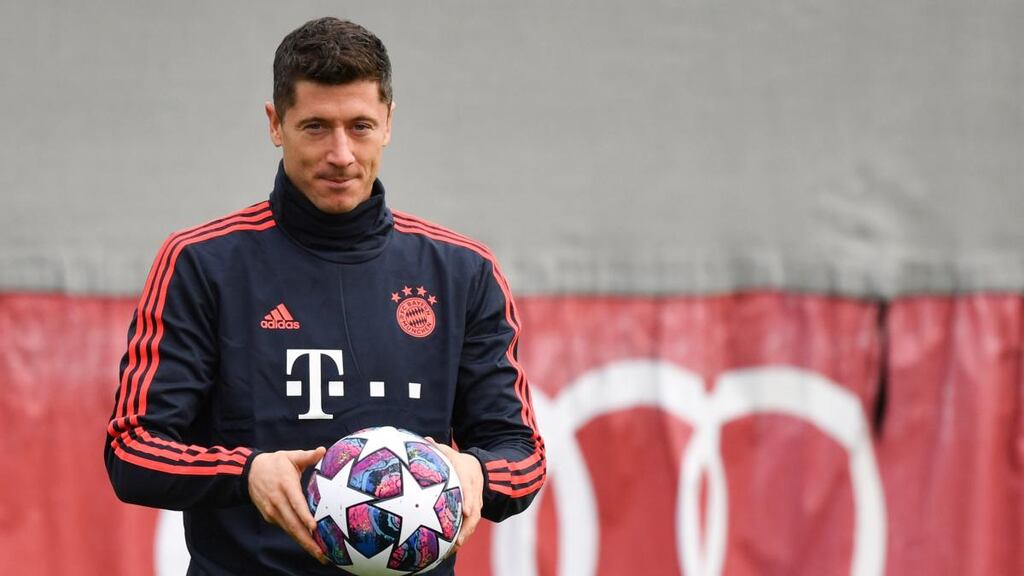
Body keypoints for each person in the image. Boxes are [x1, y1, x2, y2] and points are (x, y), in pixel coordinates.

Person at [104, 17, 545, 575]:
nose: (341, 153)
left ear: (388, 123)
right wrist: (246, 473)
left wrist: (478, 473)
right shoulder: (201, 263)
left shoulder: (463, 272)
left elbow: (521, 454)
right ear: (275, 124)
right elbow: (132, 449)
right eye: (316, 127)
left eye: (360, 126)